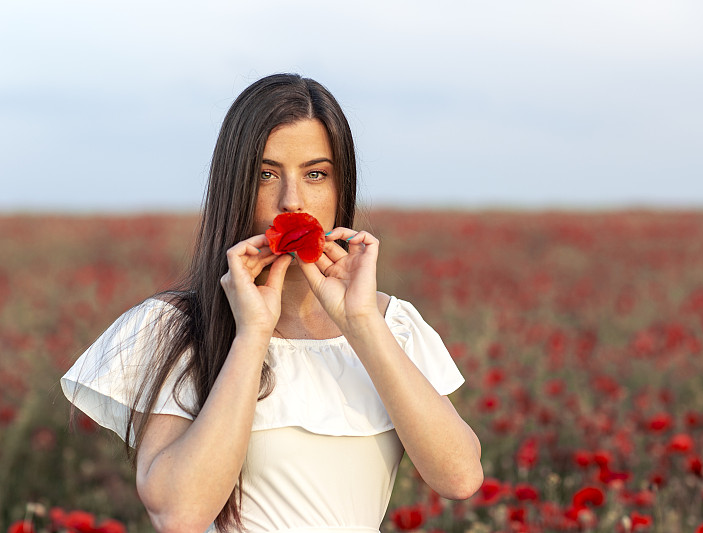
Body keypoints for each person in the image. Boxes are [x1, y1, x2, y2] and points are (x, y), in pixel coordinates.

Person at [60, 73, 483, 533]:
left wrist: (360, 321)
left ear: (342, 188)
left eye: (315, 174)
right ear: (234, 185)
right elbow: (179, 514)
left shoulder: (390, 324)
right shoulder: (174, 327)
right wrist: (252, 333)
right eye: (266, 174)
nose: (292, 201)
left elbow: (460, 477)